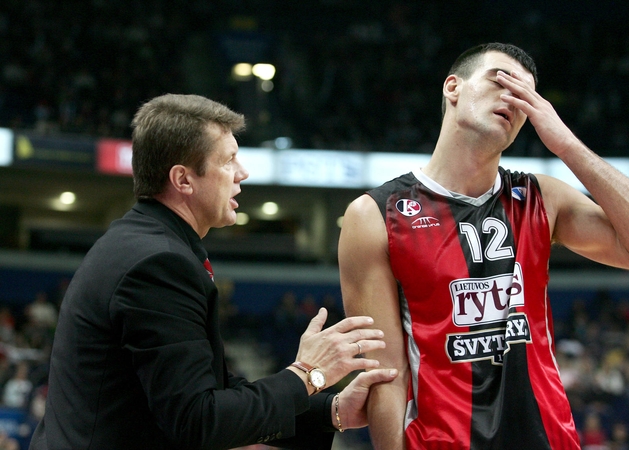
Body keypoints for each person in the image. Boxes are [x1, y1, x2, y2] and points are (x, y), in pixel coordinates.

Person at [29, 94, 398, 450]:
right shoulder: (157, 264)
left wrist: (332, 411)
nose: (243, 173)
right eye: (229, 160)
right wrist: (307, 374)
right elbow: (198, 421)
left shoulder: (145, 244)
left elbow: (213, 394)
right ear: (183, 179)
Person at [338, 42, 629, 449]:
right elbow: (386, 373)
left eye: (526, 97)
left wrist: (567, 145)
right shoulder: (374, 215)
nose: (513, 99)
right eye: (501, 81)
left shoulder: (542, 196)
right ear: (453, 88)